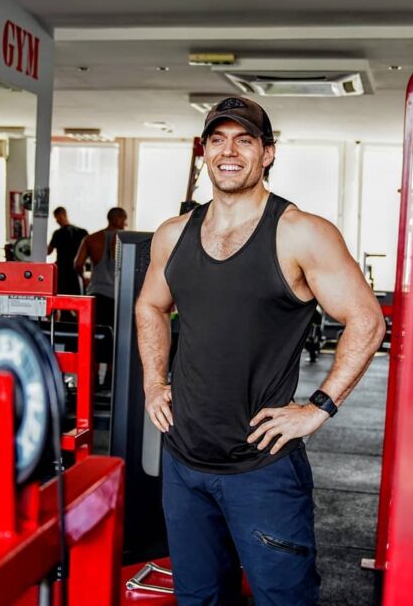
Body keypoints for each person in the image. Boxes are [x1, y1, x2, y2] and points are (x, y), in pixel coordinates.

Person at [135, 96, 385, 606]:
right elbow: (149, 307)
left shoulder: (300, 233)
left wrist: (319, 407)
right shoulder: (173, 234)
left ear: (267, 153)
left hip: (262, 468)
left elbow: (367, 319)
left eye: (244, 140)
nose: (229, 151)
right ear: (203, 151)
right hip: (185, 463)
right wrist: (153, 381)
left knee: (284, 600)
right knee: (198, 599)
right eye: (218, 140)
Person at [74, 206, 127, 328]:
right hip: (118, 296)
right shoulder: (126, 239)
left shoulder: (91, 238)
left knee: (96, 334)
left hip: (96, 293)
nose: (125, 223)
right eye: (124, 219)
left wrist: (84, 278)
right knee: (116, 336)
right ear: (116, 219)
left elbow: (78, 264)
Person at [47, 207, 88, 295]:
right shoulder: (82, 232)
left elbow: (48, 251)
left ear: (61, 215)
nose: (56, 221)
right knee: (78, 298)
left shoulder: (58, 233)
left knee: (63, 298)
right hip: (77, 269)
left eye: (56, 217)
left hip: (63, 270)